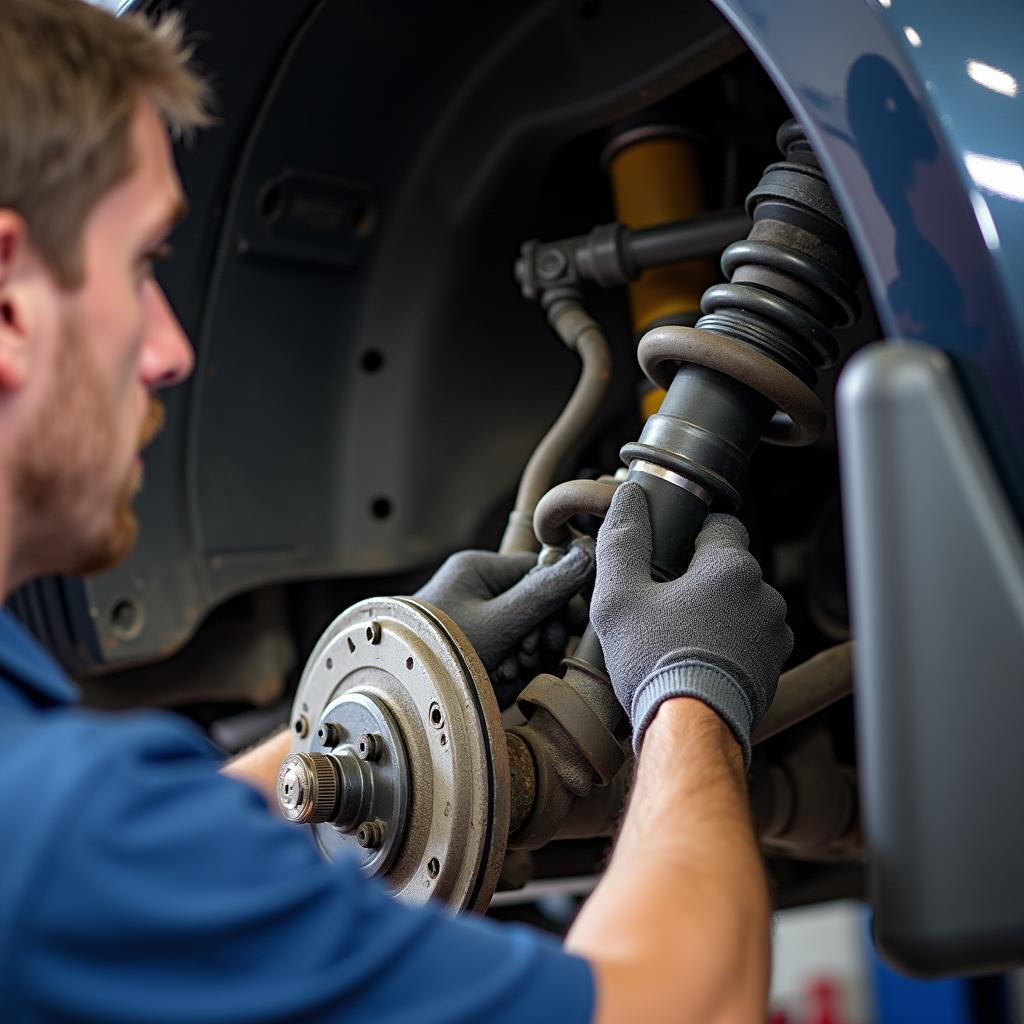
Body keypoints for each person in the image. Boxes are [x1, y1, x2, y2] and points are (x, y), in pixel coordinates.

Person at [0, 2, 793, 1021]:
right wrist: (694, 697)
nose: (170, 351)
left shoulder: (52, 817)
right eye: (145, 262)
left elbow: (138, 862)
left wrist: (365, 706)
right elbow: (686, 1007)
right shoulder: (63, 832)